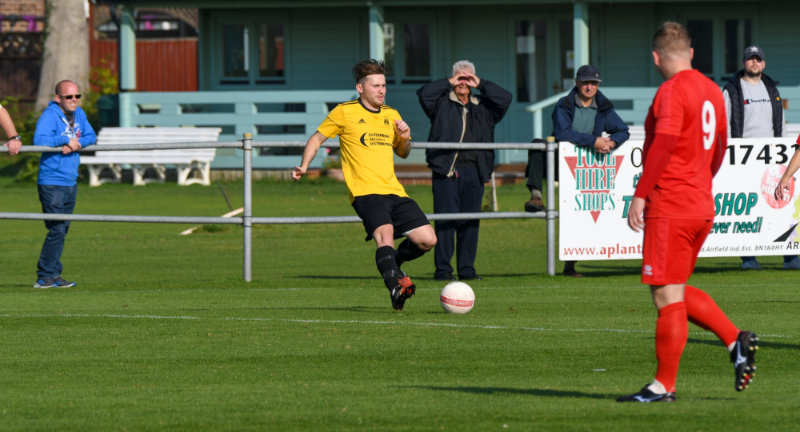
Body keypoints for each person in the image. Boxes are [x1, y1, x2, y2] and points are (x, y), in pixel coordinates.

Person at [619, 22, 758, 403]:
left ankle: (663, 385)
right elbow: (720, 148)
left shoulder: (671, 91)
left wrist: (640, 195)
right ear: (692, 53)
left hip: (671, 204)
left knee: (665, 297)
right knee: (673, 290)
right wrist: (700, 183)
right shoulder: (713, 90)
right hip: (700, 204)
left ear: (655, 57)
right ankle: (736, 341)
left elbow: (663, 143)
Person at [292, 59, 436, 311]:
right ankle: (395, 286)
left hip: (394, 190)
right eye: (375, 85)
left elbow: (403, 152)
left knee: (427, 239)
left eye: (383, 85)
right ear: (360, 88)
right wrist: (305, 165)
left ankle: (394, 266)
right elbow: (316, 138)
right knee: (386, 234)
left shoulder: (392, 115)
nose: (381, 90)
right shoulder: (344, 112)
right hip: (365, 192)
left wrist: (404, 137)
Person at [527, 65, 629, 277]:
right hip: (560, 159)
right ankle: (536, 196)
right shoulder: (563, 104)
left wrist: (611, 143)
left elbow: (622, 130)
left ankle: (570, 266)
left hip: (586, 164)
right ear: (577, 82)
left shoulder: (604, 105)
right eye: (585, 82)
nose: (589, 86)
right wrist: (594, 141)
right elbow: (562, 133)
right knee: (537, 145)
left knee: (577, 213)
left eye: (594, 83)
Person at [416, 60, 512, 281]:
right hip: (446, 171)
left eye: (467, 78)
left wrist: (481, 83)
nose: (463, 81)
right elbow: (424, 94)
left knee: (470, 222)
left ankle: (467, 270)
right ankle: (443, 271)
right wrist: (450, 81)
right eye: (459, 77)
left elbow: (505, 98)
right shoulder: (441, 104)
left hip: (475, 172)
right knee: (445, 221)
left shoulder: (484, 107)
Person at [722, 45, 800, 270]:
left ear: (763, 63)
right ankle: (749, 258)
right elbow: (724, 124)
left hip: (771, 158)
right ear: (744, 63)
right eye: (750, 59)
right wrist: (729, 151)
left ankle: (790, 256)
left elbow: (781, 125)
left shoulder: (771, 89)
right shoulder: (732, 90)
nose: (754, 63)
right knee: (748, 207)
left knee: (781, 204)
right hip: (742, 158)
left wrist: (787, 153)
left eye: (758, 59)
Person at [32, 80, 97, 288]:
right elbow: (39, 139)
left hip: (70, 181)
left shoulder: (80, 114)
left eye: (77, 96)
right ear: (57, 98)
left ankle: (52, 275)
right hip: (51, 181)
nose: (74, 101)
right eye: (69, 97)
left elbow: (91, 136)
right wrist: (64, 140)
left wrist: (77, 143)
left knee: (62, 229)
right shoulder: (50, 115)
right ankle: (45, 276)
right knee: (57, 229)